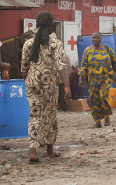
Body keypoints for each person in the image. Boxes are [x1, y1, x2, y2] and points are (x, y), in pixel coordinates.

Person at [21, 11, 71, 164]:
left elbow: (24, 66)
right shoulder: (55, 44)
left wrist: (27, 78)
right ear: (51, 25)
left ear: (37, 23)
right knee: (50, 116)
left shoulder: (28, 43)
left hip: (33, 83)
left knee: (35, 116)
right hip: (49, 84)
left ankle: (33, 152)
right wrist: (66, 86)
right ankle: (50, 150)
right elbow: (60, 66)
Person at [79, 32, 116, 128]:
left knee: (103, 96)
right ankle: (97, 121)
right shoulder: (87, 50)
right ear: (91, 39)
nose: (95, 40)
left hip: (105, 77)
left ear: (101, 39)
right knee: (93, 99)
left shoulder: (107, 48)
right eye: (93, 38)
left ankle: (107, 116)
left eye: (97, 38)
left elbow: (115, 62)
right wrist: (81, 78)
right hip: (93, 79)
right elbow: (83, 65)